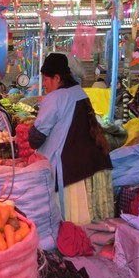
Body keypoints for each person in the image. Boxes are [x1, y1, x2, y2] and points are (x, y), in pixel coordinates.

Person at [28, 52, 113, 225]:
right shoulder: (78, 91)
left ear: (57, 78)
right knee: (95, 228)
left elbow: (36, 139)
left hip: (72, 170)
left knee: (73, 227)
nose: (43, 84)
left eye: (45, 79)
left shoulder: (55, 97)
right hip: (96, 161)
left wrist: (29, 129)